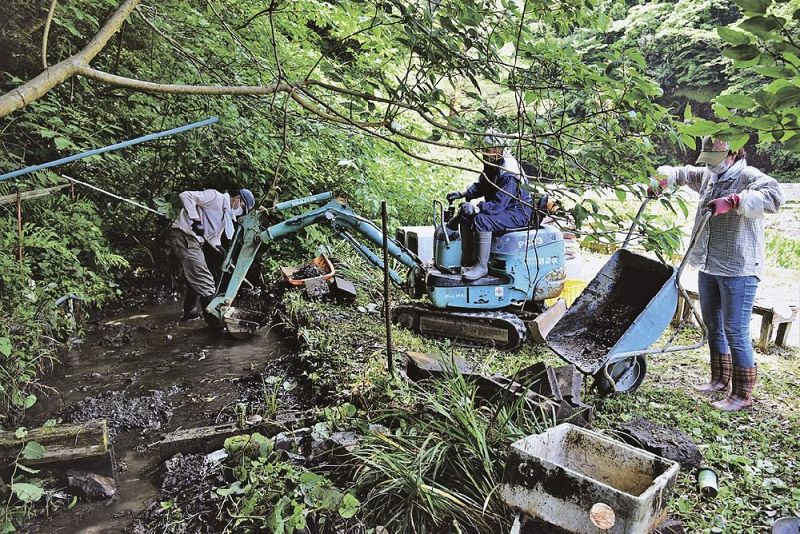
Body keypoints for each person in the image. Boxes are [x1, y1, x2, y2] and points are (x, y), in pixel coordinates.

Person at [651, 137, 784, 411]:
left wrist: (736, 200)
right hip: (709, 263)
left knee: (735, 330)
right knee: (714, 325)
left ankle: (742, 395)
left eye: (715, 161)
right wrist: (660, 181)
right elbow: (679, 173)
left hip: (739, 268)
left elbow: (774, 197)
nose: (710, 167)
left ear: (732, 154)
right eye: (707, 161)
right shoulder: (709, 176)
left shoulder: (748, 176)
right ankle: (719, 380)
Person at [446, 129, 533, 280]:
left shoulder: (509, 172)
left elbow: (499, 204)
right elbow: (483, 185)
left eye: (488, 150)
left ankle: (481, 266)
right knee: (466, 216)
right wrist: (463, 194)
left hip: (518, 212)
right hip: (505, 208)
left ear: (498, 149)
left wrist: (478, 208)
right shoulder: (493, 164)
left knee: (482, 220)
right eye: (484, 150)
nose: (485, 153)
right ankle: (467, 261)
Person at [169, 187, 255, 322]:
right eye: (242, 207)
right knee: (206, 281)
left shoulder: (227, 215)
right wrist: (196, 220)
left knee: (197, 277)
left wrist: (219, 248)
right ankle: (215, 324)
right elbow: (185, 195)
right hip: (184, 236)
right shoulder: (216, 197)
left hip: (196, 242)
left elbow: (214, 237)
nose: (240, 211)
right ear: (237, 198)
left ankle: (190, 314)